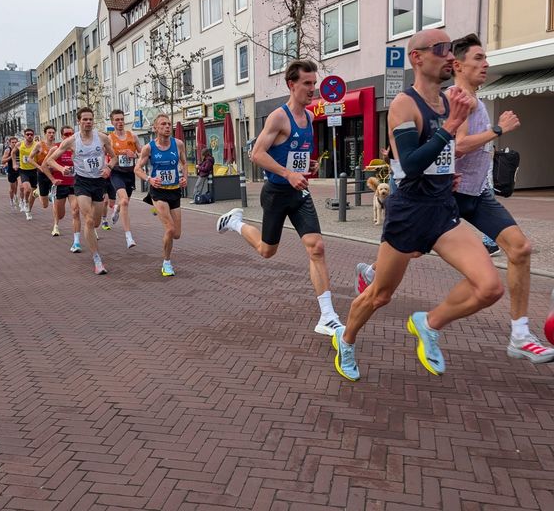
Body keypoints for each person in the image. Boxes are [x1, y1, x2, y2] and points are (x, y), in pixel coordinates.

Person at [333, 29, 505, 382]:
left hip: (442, 210)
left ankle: (428, 323)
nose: (450, 56)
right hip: (409, 212)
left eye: (451, 49)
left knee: (490, 287)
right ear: (417, 57)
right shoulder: (404, 104)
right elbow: (410, 163)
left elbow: (442, 153)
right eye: (441, 49)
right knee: (380, 296)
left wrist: (448, 173)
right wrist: (451, 127)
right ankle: (345, 339)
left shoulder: (449, 102)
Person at [215, 59, 343, 337]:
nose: (312, 89)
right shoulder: (278, 117)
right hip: (275, 193)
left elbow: (295, 154)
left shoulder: (310, 118)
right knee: (266, 251)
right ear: (291, 85)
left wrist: (308, 165)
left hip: (299, 192)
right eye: (307, 83)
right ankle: (235, 222)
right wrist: (288, 173)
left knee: (317, 247)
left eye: (314, 83)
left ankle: (327, 315)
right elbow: (256, 154)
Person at [451, 33, 554, 363]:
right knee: (404, 255)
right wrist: (498, 130)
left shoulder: (478, 101)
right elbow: (459, 146)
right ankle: (374, 273)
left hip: (477, 196)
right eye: (478, 58)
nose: (486, 63)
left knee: (520, 248)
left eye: (486, 58)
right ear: (458, 65)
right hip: (446, 197)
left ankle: (520, 336)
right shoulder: (455, 98)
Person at [48, 107, 117, 274]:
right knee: (88, 220)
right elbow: (50, 160)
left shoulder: (102, 138)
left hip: (98, 182)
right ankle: (97, 259)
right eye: (84, 119)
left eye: (90, 119)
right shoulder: (71, 141)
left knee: (96, 222)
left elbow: (114, 157)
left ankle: (92, 235)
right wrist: (62, 168)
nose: (88, 122)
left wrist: (108, 167)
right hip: (81, 183)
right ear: (78, 121)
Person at [134, 113, 187, 277]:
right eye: (163, 124)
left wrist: (184, 177)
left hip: (174, 191)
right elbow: (137, 169)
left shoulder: (178, 144)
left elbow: (184, 163)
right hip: (158, 192)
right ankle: (166, 263)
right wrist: (149, 179)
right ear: (155, 128)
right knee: (170, 229)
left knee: (176, 234)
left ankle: (157, 210)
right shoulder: (149, 148)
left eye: (169, 124)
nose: (167, 126)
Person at [44, 125, 82, 252]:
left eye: (71, 134)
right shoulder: (56, 148)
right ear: (61, 136)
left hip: (74, 184)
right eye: (66, 134)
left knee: (75, 210)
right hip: (60, 184)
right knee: (60, 215)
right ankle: (56, 220)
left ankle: (76, 242)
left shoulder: (78, 148)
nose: (69, 136)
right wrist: (53, 179)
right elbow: (44, 166)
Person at [107, 109, 141, 248]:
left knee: (124, 202)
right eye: (117, 120)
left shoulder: (133, 136)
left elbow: (143, 154)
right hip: (116, 173)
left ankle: (117, 209)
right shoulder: (109, 139)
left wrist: (135, 155)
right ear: (112, 122)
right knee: (125, 200)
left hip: (129, 174)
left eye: (122, 119)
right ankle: (128, 237)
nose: (120, 122)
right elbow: (103, 155)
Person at [29, 125, 58, 234]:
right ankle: (37, 192)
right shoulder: (39, 145)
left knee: (55, 201)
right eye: (49, 132)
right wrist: (39, 167)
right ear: (45, 134)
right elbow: (29, 158)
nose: (51, 135)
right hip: (42, 175)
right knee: (45, 205)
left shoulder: (57, 146)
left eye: (53, 133)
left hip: (54, 176)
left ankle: (56, 226)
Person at [11, 128, 38, 220]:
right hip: (24, 171)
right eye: (27, 134)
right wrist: (14, 163)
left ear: (33, 135)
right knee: (27, 189)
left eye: (31, 134)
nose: (29, 136)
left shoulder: (37, 144)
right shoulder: (19, 144)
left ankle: (28, 210)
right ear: (24, 135)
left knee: (33, 193)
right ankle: (25, 202)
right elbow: (13, 153)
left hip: (34, 170)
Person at [1, 136, 20, 211]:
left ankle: (16, 197)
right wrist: (11, 157)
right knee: (13, 187)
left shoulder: (19, 149)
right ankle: (11, 200)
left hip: (19, 170)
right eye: (13, 142)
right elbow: (3, 161)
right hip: (11, 170)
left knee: (19, 186)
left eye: (15, 142)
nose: (14, 144)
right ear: (9, 143)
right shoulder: (8, 150)